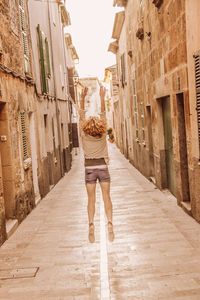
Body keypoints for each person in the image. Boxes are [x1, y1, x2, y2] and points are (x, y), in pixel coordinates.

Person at [78, 85, 114, 243]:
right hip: (103, 167)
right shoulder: (102, 133)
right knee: (106, 197)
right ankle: (110, 222)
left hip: (89, 168)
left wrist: (81, 98)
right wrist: (101, 96)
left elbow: (80, 115)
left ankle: (91, 223)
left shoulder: (84, 134)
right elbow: (103, 114)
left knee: (91, 199)